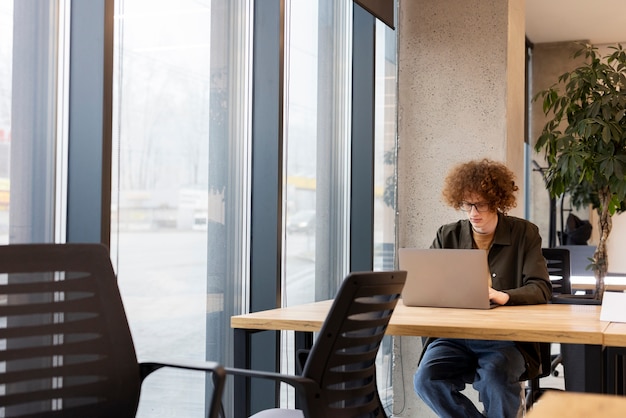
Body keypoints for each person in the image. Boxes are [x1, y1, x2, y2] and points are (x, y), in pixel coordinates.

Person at [413, 159, 552, 418]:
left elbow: (541, 288)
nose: (473, 211)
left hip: (504, 338)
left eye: (481, 204)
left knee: (496, 380)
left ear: (497, 201)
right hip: (453, 336)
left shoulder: (524, 233)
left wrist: (504, 296)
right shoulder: (448, 235)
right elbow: (428, 284)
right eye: (467, 204)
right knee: (426, 380)